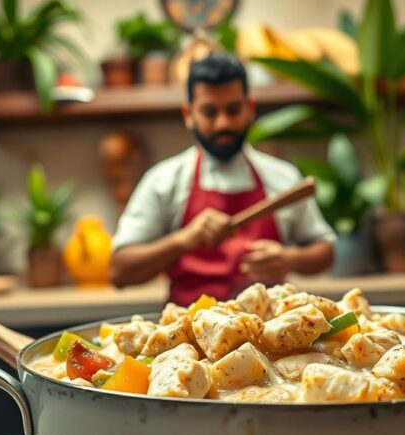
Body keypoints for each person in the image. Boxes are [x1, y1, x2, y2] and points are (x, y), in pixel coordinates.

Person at [110, 53, 335, 305]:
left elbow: (325, 251)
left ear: (250, 109)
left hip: (268, 338)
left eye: (233, 109)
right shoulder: (163, 181)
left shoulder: (282, 176)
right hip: (188, 338)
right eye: (209, 112)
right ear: (188, 114)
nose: (222, 123)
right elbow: (119, 271)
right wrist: (181, 241)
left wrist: (289, 259)